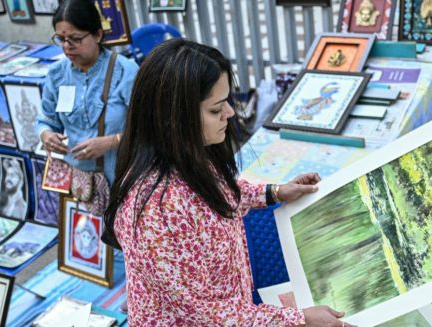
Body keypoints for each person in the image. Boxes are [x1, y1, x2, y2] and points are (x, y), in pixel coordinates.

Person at [103, 39, 355, 327]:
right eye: (215, 109)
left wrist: (273, 192)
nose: (230, 114)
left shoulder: (190, 157)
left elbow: (223, 192)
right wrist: (300, 320)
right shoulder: (153, 211)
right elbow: (209, 314)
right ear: (174, 117)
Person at [35, 0, 139, 186]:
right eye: (61, 39)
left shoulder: (125, 71)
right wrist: (46, 135)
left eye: (75, 39)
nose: (67, 46)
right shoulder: (57, 74)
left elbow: (152, 128)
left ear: (98, 35)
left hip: (124, 179)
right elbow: (46, 120)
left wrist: (112, 141)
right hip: (81, 182)